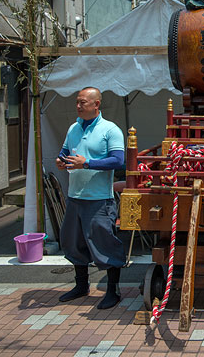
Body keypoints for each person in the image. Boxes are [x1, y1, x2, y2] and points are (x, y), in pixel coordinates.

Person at [55, 87, 126, 309]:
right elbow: (65, 152)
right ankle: (81, 285)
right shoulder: (73, 128)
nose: (78, 106)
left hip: (99, 198)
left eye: (83, 102)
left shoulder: (110, 130)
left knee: (105, 243)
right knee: (73, 243)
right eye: (77, 101)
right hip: (75, 195)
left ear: (96, 104)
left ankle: (113, 290)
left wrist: (87, 163)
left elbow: (118, 161)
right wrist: (61, 160)